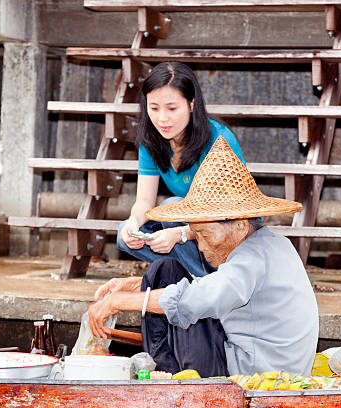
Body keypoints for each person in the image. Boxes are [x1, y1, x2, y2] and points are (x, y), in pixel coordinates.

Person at [89, 137, 319, 378]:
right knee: (163, 272)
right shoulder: (271, 244)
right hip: (259, 360)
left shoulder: (251, 258)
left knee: (181, 295)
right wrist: (137, 286)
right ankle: (168, 375)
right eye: (196, 235)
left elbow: (198, 298)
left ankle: (171, 379)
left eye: (205, 235)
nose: (200, 246)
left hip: (255, 373)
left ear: (239, 226)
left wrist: (117, 302)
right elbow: (212, 286)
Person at [118, 61, 246, 278]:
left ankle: (211, 280)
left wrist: (179, 234)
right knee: (124, 236)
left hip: (228, 228)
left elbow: (228, 215)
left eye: (172, 108)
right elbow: (144, 202)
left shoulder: (219, 140)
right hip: (191, 228)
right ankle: (200, 277)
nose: (162, 119)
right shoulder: (151, 142)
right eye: (154, 108)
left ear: (191, 104)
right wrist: (134, 223)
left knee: (172, 207)